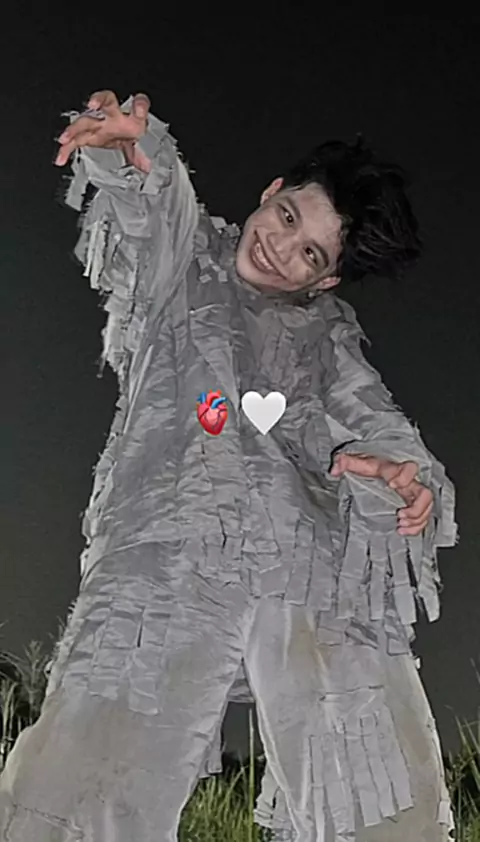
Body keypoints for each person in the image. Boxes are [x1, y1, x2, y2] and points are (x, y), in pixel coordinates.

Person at [0, 91, 457, 842]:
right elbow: (158, 211)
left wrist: (402, 475)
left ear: (325, 281)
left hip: (303, 565)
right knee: (92, 767)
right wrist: (135, 153)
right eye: (287, 217)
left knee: (370, 767)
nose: (281, 247)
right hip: (168, 553)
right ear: (271, 193)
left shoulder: (327, 340)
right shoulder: (188, 270)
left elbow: (374, 417)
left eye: (311, 254)